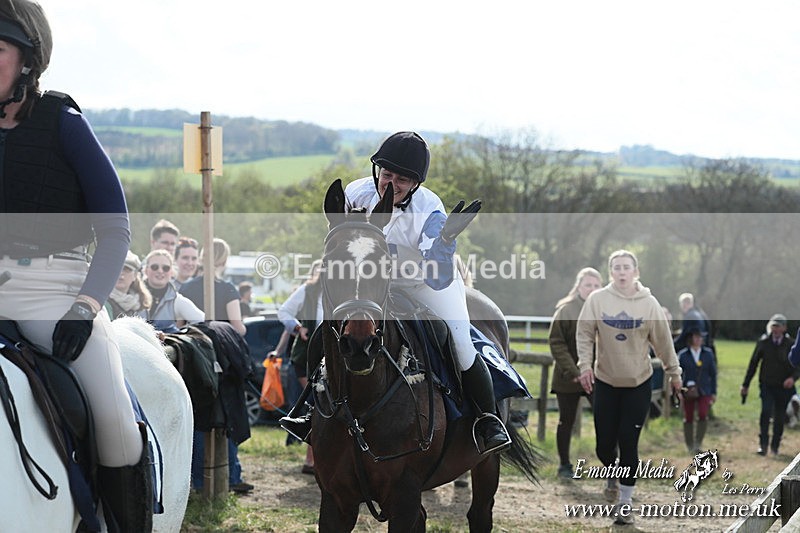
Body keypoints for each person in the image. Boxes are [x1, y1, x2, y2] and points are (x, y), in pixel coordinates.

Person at [0, 2, 152, 528]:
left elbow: (115, 230)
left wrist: (86, 307)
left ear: (27, 61)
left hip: (54, 295)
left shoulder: (63, 124)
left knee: (115, 424)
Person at [283, 131, 510, 455]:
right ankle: (309, 411)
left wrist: (445, 241)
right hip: (373, 283)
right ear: (377, 170)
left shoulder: (429, 209)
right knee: (327, 332)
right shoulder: (356, 194)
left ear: (415, 184)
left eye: (403, 180)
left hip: (423, 283)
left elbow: (437, 274)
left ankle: (487, 420)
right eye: (387, 174)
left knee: (460, 342)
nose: (392, 184)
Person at [577, 250, 682, 526]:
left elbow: (663, 342)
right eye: (616, 267)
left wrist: (674, 373)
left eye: (626, 267)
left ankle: (625, 503)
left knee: (628, 441)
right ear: (610, 272)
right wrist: (585, 366)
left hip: (638, 383)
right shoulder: (597, 300)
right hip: (606, 382)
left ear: (636, 271)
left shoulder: (649, 303)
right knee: (603, 446)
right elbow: (584, 334)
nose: (621, 271)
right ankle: (613, 473)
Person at [179, 238, 252, 493]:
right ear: (224, 259)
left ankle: (199, 480)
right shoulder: (228, 289)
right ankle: (231, 477)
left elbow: (179, 326)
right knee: (227, 415)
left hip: (194, 360)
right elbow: (238, 327)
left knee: (198, 417)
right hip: (221, 360)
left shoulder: (186, 288)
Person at [548, 267, 603, 479]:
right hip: (568, 376)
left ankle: (610, 464)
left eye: (596, 285)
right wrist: (576, 371)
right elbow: (557, 343)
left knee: (605, 418)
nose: (592, 289)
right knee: (566, 421)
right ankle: (564, 465)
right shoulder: (566, 310)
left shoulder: (605, 309)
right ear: (579, 286)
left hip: (598, 376)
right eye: (588, 285)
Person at [278, 260, 323, 473]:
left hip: (332, 356)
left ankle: (320, 460)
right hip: (306, 356)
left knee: (324, 403)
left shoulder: (345, 291)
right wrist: (298, 328)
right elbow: (284, 312)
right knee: (318, 401)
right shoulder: (308, 290)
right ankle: (311, 460)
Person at [741, 314, 798, 456]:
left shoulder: (791, 344)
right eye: (773, 326)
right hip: (767, 385)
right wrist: (745, 384)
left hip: (784, 388)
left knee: (779, 417)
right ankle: (763, 445)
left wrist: (793, 378)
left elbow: (798, 365)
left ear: (784, 328)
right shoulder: (763, 343)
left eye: (778, 326)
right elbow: (753, 364)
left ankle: (775, 446)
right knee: (765, 412)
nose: (775, 329)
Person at [142, 249, 204, 333]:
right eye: (154, 267)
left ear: (171, 272)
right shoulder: (133, 296)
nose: (160, 271)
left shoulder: (176, 300)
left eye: (166, 268)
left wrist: (182, 335)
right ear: (146, 270)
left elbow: (203, 322)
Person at [677, 328, 717, 453]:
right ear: (691, 338)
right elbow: (679, 374)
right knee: (688, 416)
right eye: (696, 337)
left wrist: (714, 392)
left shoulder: (708, 354)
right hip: (688, 390)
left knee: (703, 414)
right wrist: (679, 391)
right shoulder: (683, 355)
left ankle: (698, 443)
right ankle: (689, 444)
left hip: (705, 389)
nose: (699, 339)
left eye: (701, 337)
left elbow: (713, 374)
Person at [104, 250, 152, 320]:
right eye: (117, 268)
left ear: (135, 275)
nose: (121, 273)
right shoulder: (101, 302)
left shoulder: (142, 305)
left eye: (127, 269)